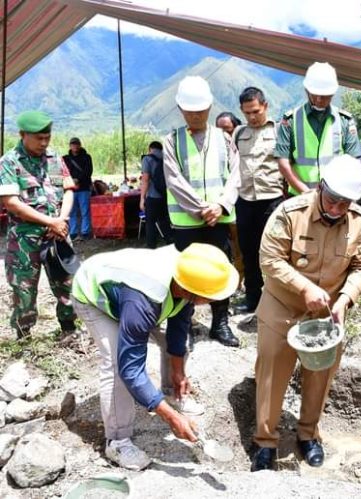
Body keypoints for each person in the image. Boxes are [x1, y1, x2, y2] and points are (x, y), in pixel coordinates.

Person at [251, 155, 361, 472]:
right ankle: (265, 441)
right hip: (283, 304)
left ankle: (309, 435)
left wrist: (345, 299)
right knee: (272, 372)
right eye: (331, 201)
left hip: (328, 311)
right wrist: (303, 287)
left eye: (343, 204)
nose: (336, 209)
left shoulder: (360, 222)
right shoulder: (289, 214)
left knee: (320, 375)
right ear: (321, 188)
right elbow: (270, 260)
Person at [71, 243, 239, 471]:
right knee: (115, 366)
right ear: (193, 292)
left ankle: (171, 393)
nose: (214, 301)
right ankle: (117, 442)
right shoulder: (144, 302)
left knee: (179, 345)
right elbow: (130, 369)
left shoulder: (186, 278)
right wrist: (170, 418)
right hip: (92, 292)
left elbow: (179, 327)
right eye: (211, 297)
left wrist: (178, 372)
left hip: (131, 294)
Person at [163, 75, 242, 347]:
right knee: (186, 272)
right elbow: (174, 180)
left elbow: (235, 175)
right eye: (190, 111)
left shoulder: (224, 138)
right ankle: (183, 324)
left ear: (209, 107)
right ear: (181, 110)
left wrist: (220, 205)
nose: (195, 116)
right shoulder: (171, 141)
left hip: (218, 220)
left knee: (220, 268)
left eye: (200, 110)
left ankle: (220, 324)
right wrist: (201, 208)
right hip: (187, 222)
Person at [0, 111, 78, 339]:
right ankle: (23, 336)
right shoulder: (9, 162)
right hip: (24, 240)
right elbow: (12, 203)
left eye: (47, 137)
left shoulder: (54, 157)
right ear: (23, 135)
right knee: (24, 289)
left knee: (67, 283)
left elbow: (68, 190)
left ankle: (69, 329)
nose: (44, 143)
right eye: (38, 138)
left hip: (57, 234)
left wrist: (61, 220)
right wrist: (50, 221)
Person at [231, 87, 284, 314]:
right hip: (245, 200)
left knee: (273, 251)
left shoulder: (280, 130)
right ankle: (253, 297)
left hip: (271, 200)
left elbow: (287, 164)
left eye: (255, 111)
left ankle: (276, 297)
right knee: (248, 250)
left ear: (265, 106)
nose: (252, 117)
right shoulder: (238, 134)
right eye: (247, 113)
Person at [275, 62, 361, 197]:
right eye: (314, 94)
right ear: (306, 90)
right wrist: (306, 192)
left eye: (325, 95)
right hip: (299, 196)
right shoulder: (291, 120)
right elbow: (283, 163)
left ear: (333, 93)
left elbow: (354, 160)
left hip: (335, 197)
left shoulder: (344, 121)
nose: (319, 99)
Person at [215, 111, 245, 292]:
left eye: (226, 129)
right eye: (219, 129)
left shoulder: (242, 145)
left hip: (240, 204)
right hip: (220, 208)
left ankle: (240, 280)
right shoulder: (215, 149)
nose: (223, 133)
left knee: (239, 247)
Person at [139, 141, 173, 249]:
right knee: (164, 220)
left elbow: (145, 179)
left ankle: (151, 247)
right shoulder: (168, 158)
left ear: (150, 149)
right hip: (166, 195)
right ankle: (171, 243)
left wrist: (142, 198)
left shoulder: (147, 159)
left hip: (153, 196)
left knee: (150, 223)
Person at [63, 137, 93, 241]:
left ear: (80, 145)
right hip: (70, 189)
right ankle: (73, 233)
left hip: (84, 188)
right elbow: (64, 172)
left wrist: (78, 180)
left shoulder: (87, 157)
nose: (75, 146)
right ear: (70, 146)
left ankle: (85, 232)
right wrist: (72, 181)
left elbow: (88, 171)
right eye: (73, 144)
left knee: (85, 211)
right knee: (71, 212)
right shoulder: (65, 159)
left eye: (76, 144)